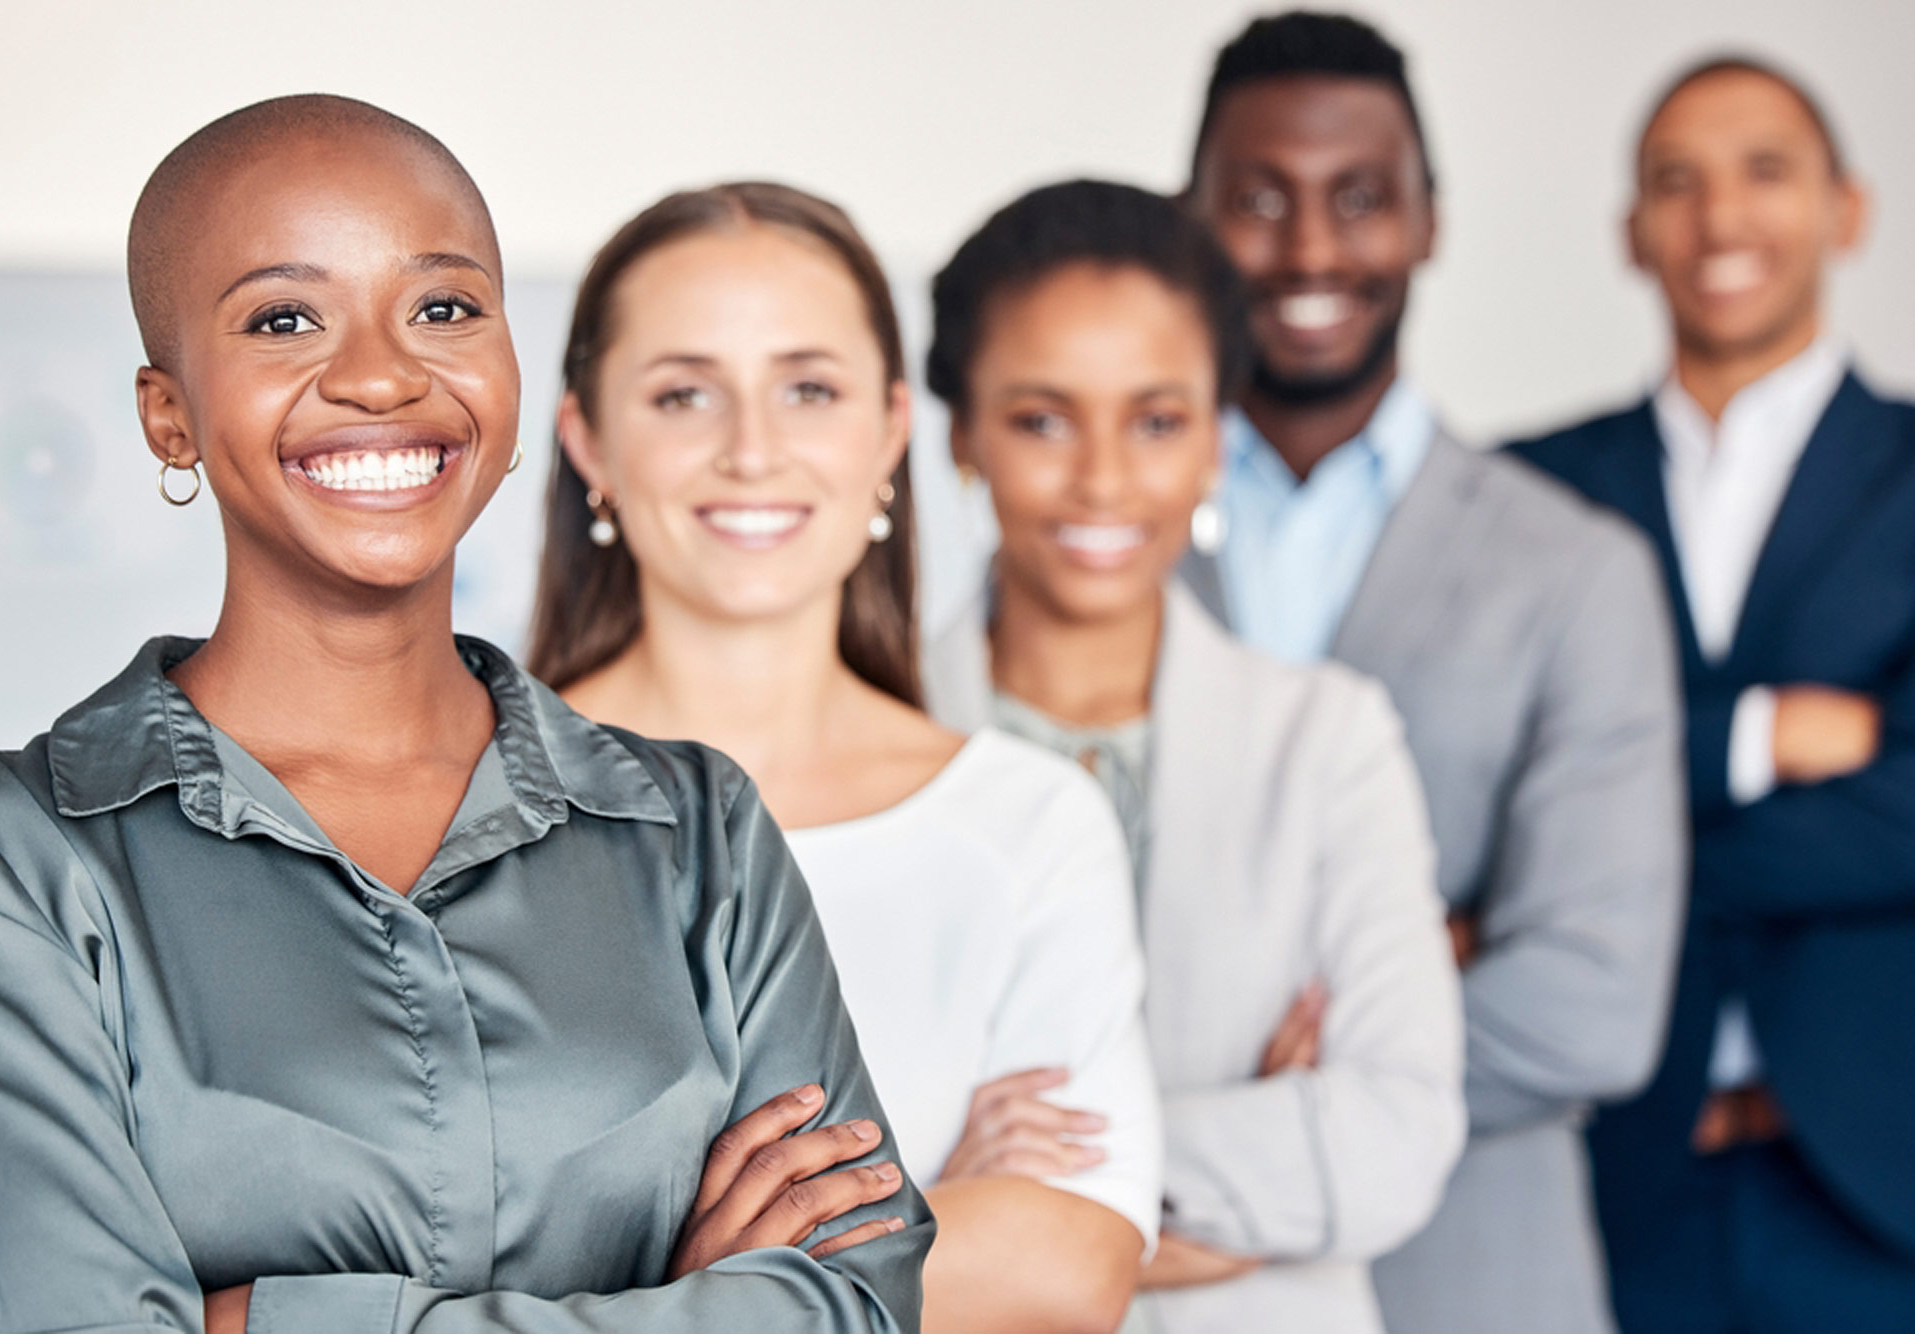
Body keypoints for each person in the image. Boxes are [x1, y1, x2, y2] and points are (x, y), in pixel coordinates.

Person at [0, 96, 932, 1333]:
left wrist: (269, 1321)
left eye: (443, 308)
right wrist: (679, 1304)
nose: (384, 374)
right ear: (165, 413)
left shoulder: (697, 829)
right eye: (284, 318)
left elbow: (853, 1304)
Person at [527, 181, 1160, 1333]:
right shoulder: (461, 798)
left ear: (889, 431)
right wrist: (917, 1209)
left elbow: (1068, 1268)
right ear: (588, 441)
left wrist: (657, 1285)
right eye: (683, 393)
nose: (752, 449)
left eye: (807, 388)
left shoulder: (1023, 823)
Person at [1174, 14, 1689, 1334]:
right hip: (1142, 1285)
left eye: (1359, 199)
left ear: (1430, 221)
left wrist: (1197, 1074)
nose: (1308, 249)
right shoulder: (1094, 537)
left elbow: (1592, 1006)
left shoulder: (1575, 570)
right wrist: (1420, 959)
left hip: (1472, 1279)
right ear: (1193, 217)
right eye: (1257, 199)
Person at [922, 176, 1465, 1333]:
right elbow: (805, 1175)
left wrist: (997, 1193)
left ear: (1218, 439)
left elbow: (1396, 1138)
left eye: (1157, 419)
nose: (1104, 480)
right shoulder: (858, 730)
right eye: (1040, 418)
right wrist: (1259, 1145)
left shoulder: (1327, 739)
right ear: (960, 433)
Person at [1513, 57, 1915, 1332]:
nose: (1720, 218)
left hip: (1875, 1179)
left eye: (1763, 172)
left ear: (1846, 210)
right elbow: (1493, 800)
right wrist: (1756, 737)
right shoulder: (1527, 498)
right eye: (1675, 183)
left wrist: (1601, 841)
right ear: (1632, 233)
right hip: (1612, 1177)